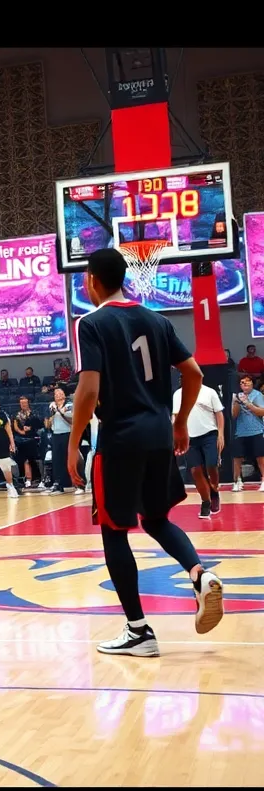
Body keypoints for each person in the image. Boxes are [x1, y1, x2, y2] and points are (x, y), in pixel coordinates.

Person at [68, 248, 224, 657]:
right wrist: (178, 421)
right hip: (159, 435)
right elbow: (194, 372)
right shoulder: (157, 319)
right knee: (156, 518)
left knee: (113, 530)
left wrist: (73, 443)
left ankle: (139, 630)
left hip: (120, 437)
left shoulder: (91, 323)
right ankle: (199, 575)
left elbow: (88, 390)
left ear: (92, 281)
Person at [172, 380, 224, 519]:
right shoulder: (178, 394)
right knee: (195, 470)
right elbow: (175, 416)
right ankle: (205, 502)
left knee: (211, 465)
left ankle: (214, 491)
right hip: (189, 437)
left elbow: (219, 413)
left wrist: (221, 434)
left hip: (209, 434)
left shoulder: (209, 392)